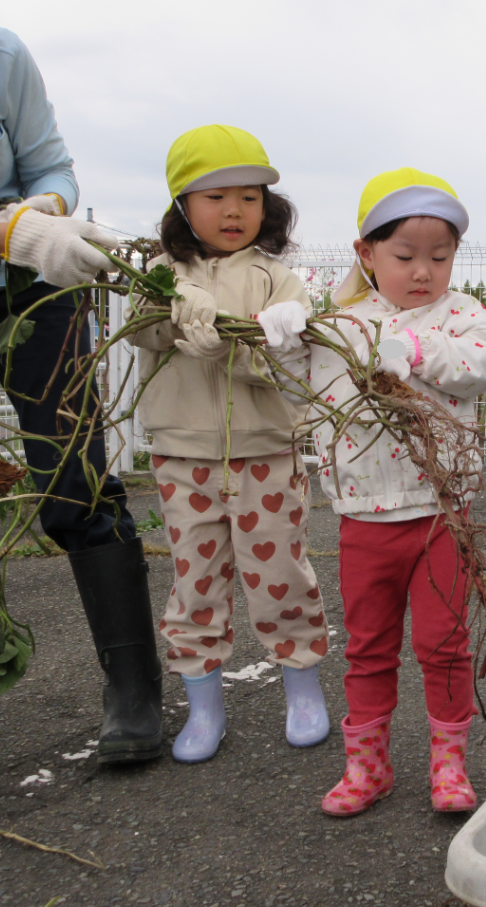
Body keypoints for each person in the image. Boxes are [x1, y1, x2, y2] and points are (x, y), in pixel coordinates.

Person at [257, 168, 486, 814]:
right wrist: (284, 344)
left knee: (442, 642)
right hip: (363, 517)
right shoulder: (341, 325)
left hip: (440, 517)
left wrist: (414, 348)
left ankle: (447, 765)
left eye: (439, 256)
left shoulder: (460, 315)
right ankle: (367, 766)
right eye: (403, 256)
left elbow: (482, 362)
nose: (422, 271)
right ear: (366, 254)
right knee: (368, 646)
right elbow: (305, 396)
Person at [128, 124, 329, 763]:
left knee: (279, 574)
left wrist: (273, 340)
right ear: (183, 206)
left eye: (249, 195)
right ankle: (203, 709)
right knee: (195, 579)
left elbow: (294, 358)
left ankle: (302, 689)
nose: (235, 210)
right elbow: (144, 331)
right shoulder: (160, 274)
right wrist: (173, 304)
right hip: (184, 456)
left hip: (267, 450)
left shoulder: (279, 280)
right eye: (215, 196)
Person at [0, 28, 161, 763]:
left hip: (38, 295)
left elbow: (50, 163)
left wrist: (50, 210)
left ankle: (133, 691)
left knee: (78, 481)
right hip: (23, 249)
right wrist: (16, 230)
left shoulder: (4, 52)